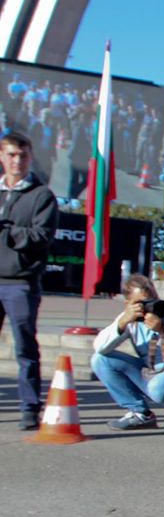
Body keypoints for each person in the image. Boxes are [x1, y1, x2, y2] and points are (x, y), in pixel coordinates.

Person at [91, 274, 164, 433]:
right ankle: (140, 413)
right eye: (142, 303)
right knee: (100, 360)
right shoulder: (130, 318)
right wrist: (123, 322)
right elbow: (100, 347)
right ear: (128, 303)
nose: (150, 307)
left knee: (161, 386)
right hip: (152, 373)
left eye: (153, 300)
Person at [0, 131, 58, 430]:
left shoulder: (41, 195)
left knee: (24, 346)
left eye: (22, 155)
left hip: (19, 282)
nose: (16, 161)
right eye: (11, 155)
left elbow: (42, 237)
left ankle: (29, 407)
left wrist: (9, 230)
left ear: (30, 157)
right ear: (2, 156)